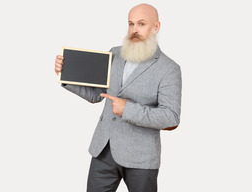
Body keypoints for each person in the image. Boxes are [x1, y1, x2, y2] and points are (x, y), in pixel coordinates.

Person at [54, 3, 182, 192]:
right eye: (131, 24)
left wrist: (128, 109)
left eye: (141, 24)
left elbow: (171, 117)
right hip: (103, 150)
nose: (134, 30)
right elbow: (97, 95)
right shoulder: (114, 53)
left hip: (141, 158)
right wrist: (65, 75)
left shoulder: (169, 69)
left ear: (156, 27)